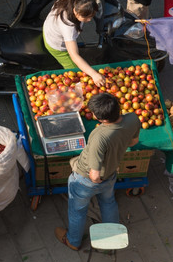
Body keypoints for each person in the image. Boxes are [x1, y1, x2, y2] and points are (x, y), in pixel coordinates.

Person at [55, 93, 140, 250]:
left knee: (78, 210)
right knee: (108, 202)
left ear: (100, 118)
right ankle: (112, 236)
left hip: (86, 180)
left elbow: (94, 175)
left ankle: (73, 241)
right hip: (111, 175)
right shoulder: (133, 118)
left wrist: (96, 182)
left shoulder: (99, 137)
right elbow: (133, 141)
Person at [42, 0, 106, 87]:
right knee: (76, 74)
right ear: (76, 13)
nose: (89, 20)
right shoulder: (68, 26)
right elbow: (74, 55)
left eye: (92, 16)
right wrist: (93, 74)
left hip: (49, 27)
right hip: (56, 44)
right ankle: (77, 90)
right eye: (86, 17)